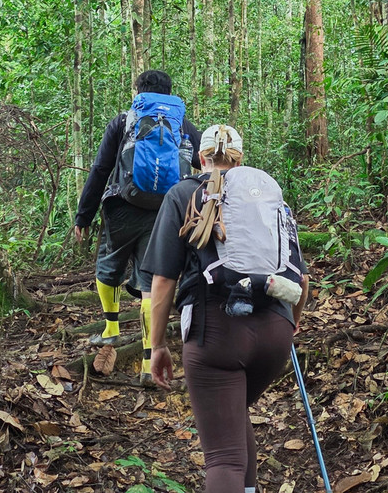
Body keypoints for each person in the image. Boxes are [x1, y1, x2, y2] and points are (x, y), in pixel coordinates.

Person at [145, 124, 309, 493]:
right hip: (276, 333)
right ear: (241, 160)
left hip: (216, 333)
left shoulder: (183, 194)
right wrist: (291, 326)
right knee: (234, 422)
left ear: (200, 157)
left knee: (223, 458)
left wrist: (156, 345)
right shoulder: (269, 199)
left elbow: (163, 282)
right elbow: (302, 281)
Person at [73, 69, 202, 382]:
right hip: (164, 210)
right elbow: (206, 161)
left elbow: (101, 168)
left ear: (139, 91)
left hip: (122, 206)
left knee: (108, 265)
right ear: (170, 92)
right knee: (149, 281)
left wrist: (83, 216)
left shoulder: (124, 120)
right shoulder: (182, 124)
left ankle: (111, 327)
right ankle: (148, 363)